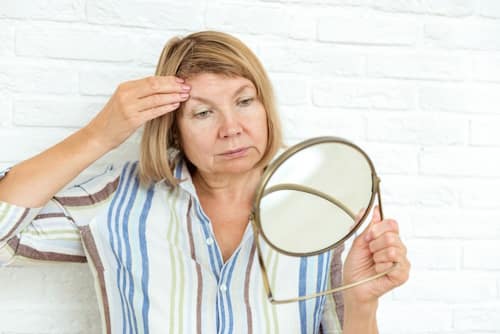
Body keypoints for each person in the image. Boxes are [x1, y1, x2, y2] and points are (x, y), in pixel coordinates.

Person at [0, 31, 410, 334]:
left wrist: (362, 306)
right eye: (202, 113)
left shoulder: (323, 209)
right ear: (173, 129)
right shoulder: (113, 201)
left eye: (244, 102)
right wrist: (100, 134)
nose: (231, 129)